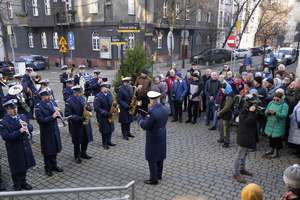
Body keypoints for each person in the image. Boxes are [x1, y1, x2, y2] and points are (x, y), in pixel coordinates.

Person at [0, 99, 35, 190]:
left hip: (24, 146)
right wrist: (19, 131)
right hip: (14, 149)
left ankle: (23, 182)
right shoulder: (4, 122)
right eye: (12, 109)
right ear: (7, 110)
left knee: (24, 165)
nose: (15, 110)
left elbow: (31, 127)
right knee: (16, 167)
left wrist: (27, 127)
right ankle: (17, 184)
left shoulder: (22, 116)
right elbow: (6, 136)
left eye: (15, 107)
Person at [138, 91, 168, 185]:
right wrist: (149, 117)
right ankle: (159, 175)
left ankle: (153, 179)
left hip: (153, 136)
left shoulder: (152, 112)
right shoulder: (165, 108)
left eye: (150, 100)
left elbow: (146, 126)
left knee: (152, 158)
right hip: (162, 133)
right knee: (160, 156)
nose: (149, 102)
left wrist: (140, 119)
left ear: (152, 101)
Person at [35, 89, 63, 177]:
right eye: (47, 96)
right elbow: (41, 121)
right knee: (47, 151)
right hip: (46, 132)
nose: (49, 97)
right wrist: (52, 116)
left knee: (54, 149)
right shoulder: (38, 107)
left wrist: (59, 112)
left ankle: (54, 165)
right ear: (42, 97)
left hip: (54, 130)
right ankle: (48, 168)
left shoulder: (52, 103)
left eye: (49, 95)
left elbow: (58, 113)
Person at [65, 86, 93, 163]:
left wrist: (89, 108)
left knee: (86, 139)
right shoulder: (69, 101)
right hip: (76, 125)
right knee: (77, 141)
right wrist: (80, 118)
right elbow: (68, 115)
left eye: (81, 92)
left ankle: (83, 153)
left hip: (86, 123)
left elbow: (89, 107)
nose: (80, 94)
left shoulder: (83, 98)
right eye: (79, 92)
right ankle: (77, 156)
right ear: (75, 92)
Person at [233, 100, 258, 183]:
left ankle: (242, 169)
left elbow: (255, 119)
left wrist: (254, 111)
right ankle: (236, 174)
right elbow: (248, 122)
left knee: (245, 154)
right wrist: (251, 112)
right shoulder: (243, 113)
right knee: (239, 155)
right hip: (243, 138)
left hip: (248, 137)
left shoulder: (248, 111)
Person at [263, 89, 289, 158]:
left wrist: (275, 113)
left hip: (278, 124)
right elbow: (266, 110)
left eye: (277, 100)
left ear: (281, 99)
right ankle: (271, 149)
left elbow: (284, 115)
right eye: (274, 99)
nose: (275, 101)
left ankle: (276, 152)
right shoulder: (271, 102)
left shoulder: (284, 105)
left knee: (277, 139)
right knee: (270, 138)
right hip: (270, 123)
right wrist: (267, 112)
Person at [94, 83, 116, 150]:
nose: (107, 89)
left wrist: (115, 106)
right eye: (105, 88)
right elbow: (97, 108)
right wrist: (105, 113)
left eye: (107, 88)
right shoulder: (98, 96)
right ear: (101, 88)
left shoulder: (109, 94)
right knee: (104, 131)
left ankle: (109, 141)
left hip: (110, 114)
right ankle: (104, 143)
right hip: (103, 116)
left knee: (110, 129)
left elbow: (112, 102)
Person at [217, 83, 234, 148]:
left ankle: (227, 142)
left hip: (227, 114)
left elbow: (227, 107)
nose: (222, 91)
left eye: (223, 89)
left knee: (226, 129)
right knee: (220, 126)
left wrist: (220, 112)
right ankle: (222, 138)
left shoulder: (230, 96)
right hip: (223, 114)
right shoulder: (226, 94)